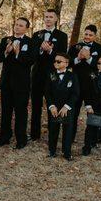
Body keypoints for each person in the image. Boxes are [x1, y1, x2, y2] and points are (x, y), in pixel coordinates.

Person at [0, 17, 35, 149]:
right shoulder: (5, 40)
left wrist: (18, 54)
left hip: (21, 84)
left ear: (26, 28)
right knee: (6, 111)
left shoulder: (30, 42)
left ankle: (21, 140)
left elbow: (31, 60)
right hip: (6, 82)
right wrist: (6, 52)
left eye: (21, 25)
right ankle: (4, 138)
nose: (17, 27)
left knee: (21, 112)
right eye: (16, 24)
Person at [30, 9, 68, 141]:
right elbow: (32, 55)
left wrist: (51, 50)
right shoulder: (36, 34)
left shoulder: (62, 36)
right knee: (36, 105)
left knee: (54, 104)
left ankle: (53, 134)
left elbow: (63, 55)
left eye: (51, 17)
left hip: (53, 75)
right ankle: (34, 134)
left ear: (56, 19)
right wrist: (41, 49)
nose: (48, 19)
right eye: (46, 17)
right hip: (37, 75)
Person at [67, 24, 101, 141]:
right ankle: (70, 137)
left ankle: (93, 140)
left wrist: (89, 58)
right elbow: (67, 63)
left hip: (93, 85)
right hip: (76, 84)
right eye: (86, 34)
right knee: (73, 112)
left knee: (95, 112)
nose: (87, 37)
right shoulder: (74, 47)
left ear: (95, 36)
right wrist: (78, 59)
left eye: (90, 35)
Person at [45, 53, 79, 161]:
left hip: (67, 108)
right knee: (53, 129)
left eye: (59, 61)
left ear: (66, 63)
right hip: (54, 107)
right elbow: (47, 92)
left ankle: (67, 152)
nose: (56, 63)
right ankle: (52, 150)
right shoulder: (51, 74)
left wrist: (67, 106)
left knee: (67, 130)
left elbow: (75, 93)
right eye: (55, 61)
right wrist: (51, 106)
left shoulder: (72, 76)